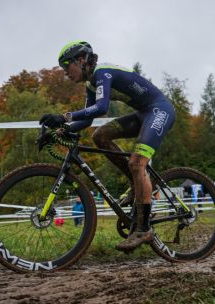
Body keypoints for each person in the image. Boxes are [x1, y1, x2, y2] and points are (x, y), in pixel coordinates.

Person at [39, 41, 176, 251]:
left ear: (82, 60)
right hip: (144, 114)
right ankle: (135, 184)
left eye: (67, 67)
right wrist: (60, 131)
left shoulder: (103, 72)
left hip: (160, 110)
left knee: (137, 163)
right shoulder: (91, 84)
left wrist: (64, 117)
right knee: (100, 135)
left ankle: (144, 229)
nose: (66, 73)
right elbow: (87, 120)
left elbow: (101, 107)